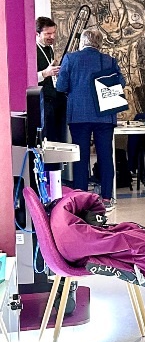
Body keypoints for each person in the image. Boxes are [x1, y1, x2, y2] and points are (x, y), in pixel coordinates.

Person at [56, 28, 124, 211]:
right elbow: (121, 84)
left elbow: (61, 86)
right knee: (105, 156)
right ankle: (107, 197)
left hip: (79, 115)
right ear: (100, 43)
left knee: (81, 157)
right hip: (105, 115)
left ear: (83, 42)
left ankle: (81, 197)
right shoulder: (109, 60)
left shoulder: (70, 59)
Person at [36, 16, 67, 143]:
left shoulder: (49, 49)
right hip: (42, 101)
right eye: (48, 34)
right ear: (37, 33)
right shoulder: (31, 51)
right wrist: (45, 73)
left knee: (57, 136)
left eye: (54, 33)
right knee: (47, 136)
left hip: (53, 99)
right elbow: (26, 78)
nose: (52, 37)